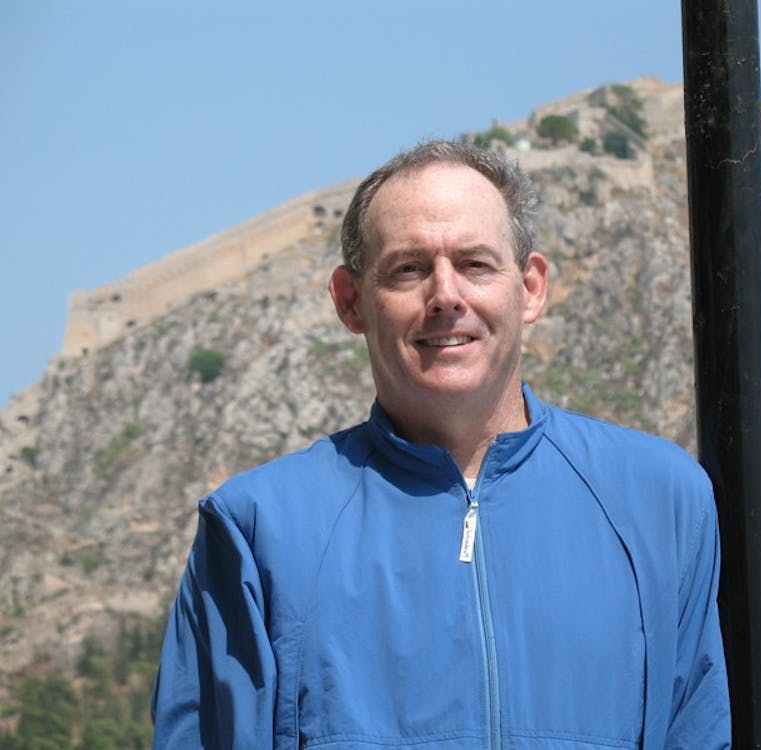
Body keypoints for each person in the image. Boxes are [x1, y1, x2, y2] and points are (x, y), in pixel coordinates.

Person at [152, 140, 731, 749]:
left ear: (530, 288)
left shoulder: (661, 502)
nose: (446, 295)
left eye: (476, 264)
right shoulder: (259, 530)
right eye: (408, 268)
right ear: (352, 302)